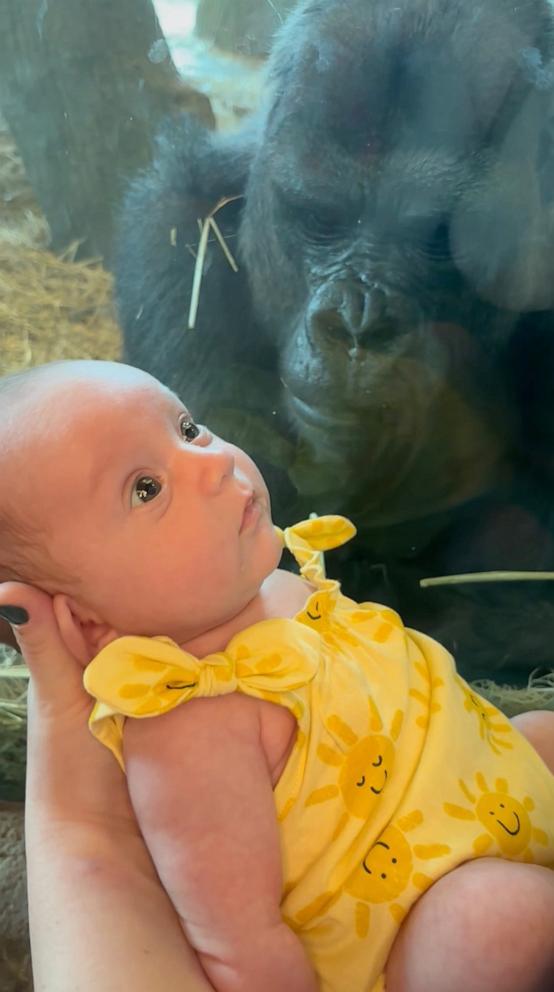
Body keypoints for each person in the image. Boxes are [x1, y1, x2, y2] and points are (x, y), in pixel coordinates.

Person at [1, 359, 553, 992]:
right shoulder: (189, 728)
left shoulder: (272, 586)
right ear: (85, 623)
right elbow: (239, 940)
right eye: (146, 488)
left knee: (542, 733)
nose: (213, 463)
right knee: (500, 919)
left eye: (187, 427)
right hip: (417, 915)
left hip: (485, 791)